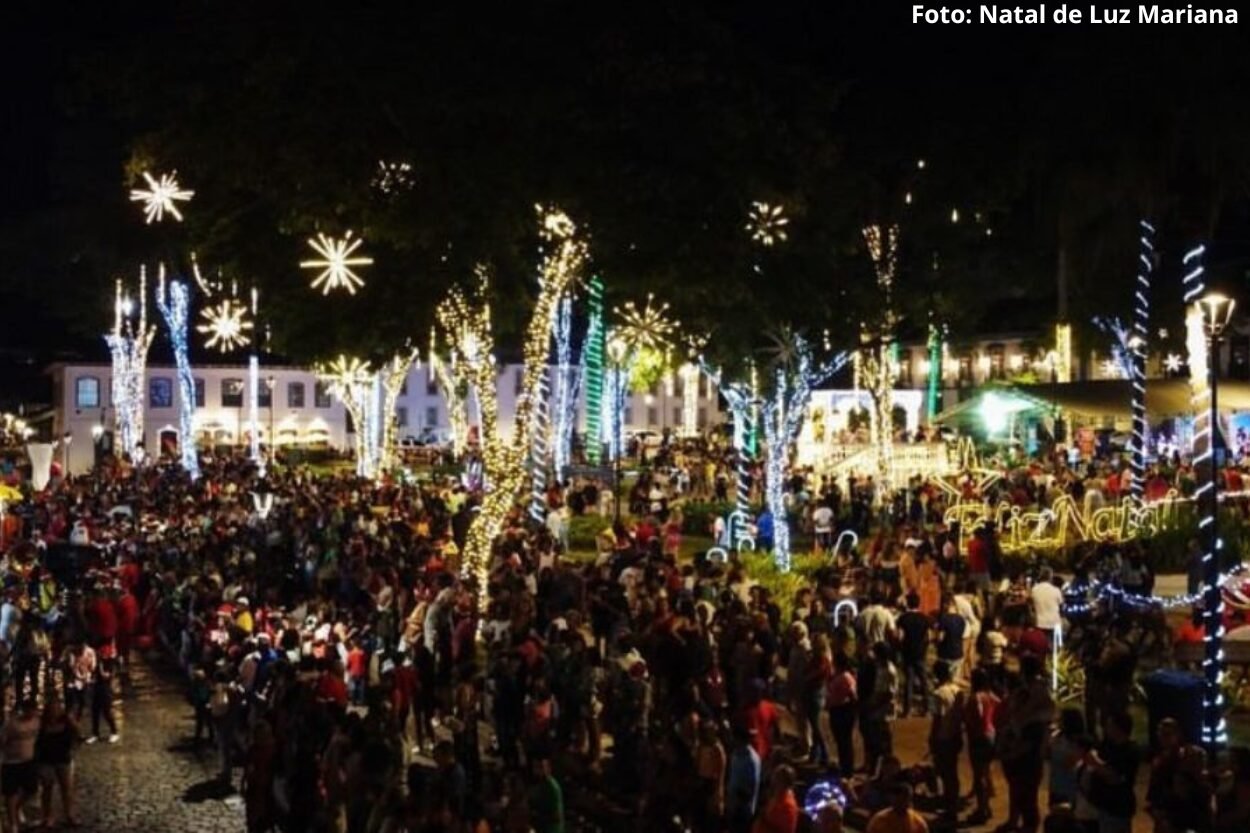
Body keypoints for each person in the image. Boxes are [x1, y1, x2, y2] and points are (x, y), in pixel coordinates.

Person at [928, 660, 965, 822]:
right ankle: (952, 802)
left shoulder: (938, 694)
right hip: (955, 735)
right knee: (953, 772)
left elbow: (937, 719)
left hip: (943, 737)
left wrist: (932, 739)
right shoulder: (957, 691)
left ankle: (950, 806)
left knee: (945, 772)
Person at [37, 698, 81, 828]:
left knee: (66, 788)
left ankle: (69, 814)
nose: (55, 712)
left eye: (57, 708)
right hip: (46, 760)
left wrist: (73, 749)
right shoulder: (42, 724)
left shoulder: (67, 722)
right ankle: (47, 816)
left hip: (63, 759)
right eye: (52, 709)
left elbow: (77, 735)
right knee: (47, 788)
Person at [964, 667, 999, 825]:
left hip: (979, 737)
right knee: (986, 771)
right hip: (991, 734)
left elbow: (977, 716)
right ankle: (987, 805)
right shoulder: (992, 696)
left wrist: (971, 725)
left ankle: (982, 809)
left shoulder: (975, 697)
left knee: (979, 776)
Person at [2, 698, 41, 832]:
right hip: (11, 762)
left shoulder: (37, 722)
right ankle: (13, 823)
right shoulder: (12, 724)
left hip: (29, 761)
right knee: (11, 793)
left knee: (30, 790)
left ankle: (17, 809)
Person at [894, 594, 930, 718]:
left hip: (908, 653)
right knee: (924, 681)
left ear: (908, 603)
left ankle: (907, 710)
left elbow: (899, 636)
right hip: (920, 653)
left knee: (909, 681)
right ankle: (927, 709)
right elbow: (928, 637)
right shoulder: (925, 618)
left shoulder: (903, 618)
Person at [827, 651, 858, 777]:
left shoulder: (845, 677)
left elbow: (853, 696)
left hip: (843, 711)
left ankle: (848, 770)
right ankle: (844, 767)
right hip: (837, 710)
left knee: (845, 742)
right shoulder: (838, 675)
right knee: (840, 741)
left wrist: (850, 709)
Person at [726, 726, 761, 833]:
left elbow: (750, 789)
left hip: (742, 811)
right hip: (732, 805)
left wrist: (737, 799)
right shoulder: (735, 754)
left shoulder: (751, 760)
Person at [753, 764, 799, 833]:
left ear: (784, 782)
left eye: (777, 779)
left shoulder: (788, 806)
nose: (773, 781)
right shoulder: (775, 796)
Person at [87, 656, 120, 744]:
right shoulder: (97, 663)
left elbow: (107, 676)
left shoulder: (110, 663)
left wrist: (101, 668)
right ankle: (95, 734)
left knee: (107, 712)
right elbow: (93, 675)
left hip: (105, 690)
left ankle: (114, 732)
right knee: (95, 712)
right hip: (96, 689)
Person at [1030, 567, 1064, 643]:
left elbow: (1032, 605)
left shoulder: (1034, 589)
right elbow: (1061, 606)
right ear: (1050, 577)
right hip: (1054, 622)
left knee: (1041, 645)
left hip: (1040, 622)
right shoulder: (1056, 590)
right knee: (1055, 648)